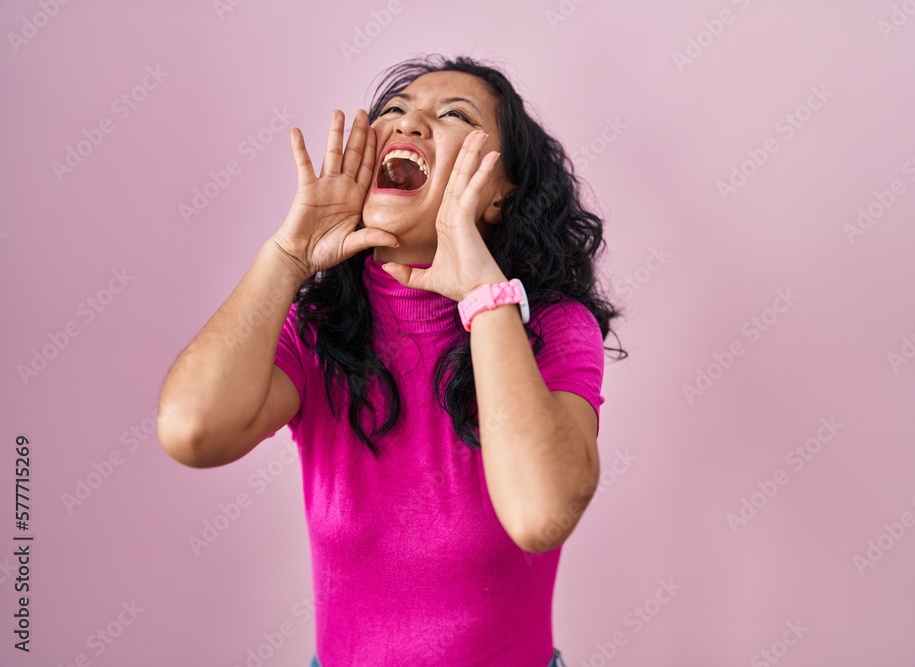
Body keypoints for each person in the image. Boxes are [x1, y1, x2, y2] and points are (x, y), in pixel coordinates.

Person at [157, 53, 626, 666]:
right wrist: (288, 255)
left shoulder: (552, 328)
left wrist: (485, 297)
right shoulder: (320, 330)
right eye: (395, 111)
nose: (407, 124)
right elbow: (191, 430)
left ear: (498, 198)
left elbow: (540, 515)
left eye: (451, 114)